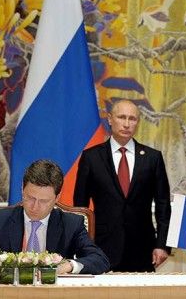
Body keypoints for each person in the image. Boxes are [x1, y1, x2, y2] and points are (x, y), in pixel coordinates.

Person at [73, 99, 171, 272]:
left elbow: (163, 205)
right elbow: (80, 207)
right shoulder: (91, 157)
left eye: (132, 119)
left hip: (142, 249)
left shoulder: (152, 158)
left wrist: (162, 245)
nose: (127, 124)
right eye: (122, 117)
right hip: (101, 248)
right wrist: (83, 245)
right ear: (110, 119)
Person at [0, 159, 109, 274]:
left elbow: (100, 260)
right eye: (30, 198)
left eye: (44, 201)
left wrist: (69, 265)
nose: (35, 207)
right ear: (22, 189)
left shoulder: (71, 224)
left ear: (57, 197)